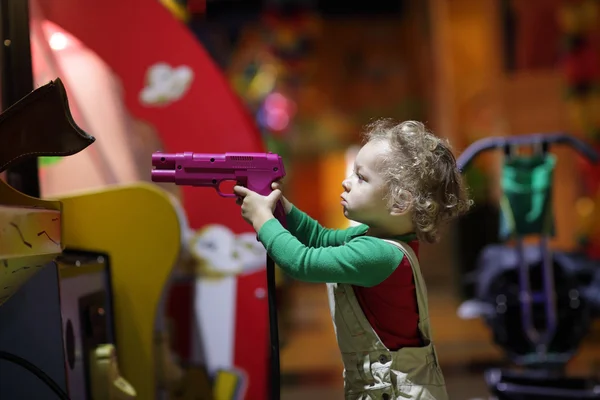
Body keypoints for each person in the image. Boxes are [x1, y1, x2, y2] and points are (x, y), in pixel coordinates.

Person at [233, 119, 471, 399]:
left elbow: (302, 262)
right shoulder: (374, 238)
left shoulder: (379, 254)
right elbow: (319, 238)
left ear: (399, 202)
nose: (346, 182)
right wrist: (279, 205)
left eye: (361, 177)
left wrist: (262, 219)